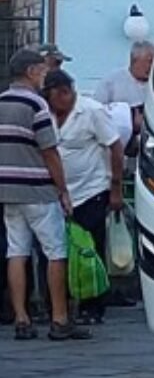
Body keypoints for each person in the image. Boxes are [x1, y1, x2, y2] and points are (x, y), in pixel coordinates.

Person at [0, 48, 89, 341]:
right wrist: (63, 190)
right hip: (38, 189)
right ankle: (60, 318)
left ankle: (22, 319)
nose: (44, 77)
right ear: (29, 72)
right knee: (55, 252)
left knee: (16, 250)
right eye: (41, 71)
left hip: (8, 188)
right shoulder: (36, 105)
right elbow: (49, 152)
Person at [43, 70, 124, 324]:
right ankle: (60, 302)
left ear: (66, 92)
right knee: (58, 248)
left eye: (56, 97)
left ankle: (93, 305)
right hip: (56, 192)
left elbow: (115, 146)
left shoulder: (92, 111)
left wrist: (116, 187)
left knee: (90, 248)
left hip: (90, 189)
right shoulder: (45, 113)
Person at [95, 40, 154, 148]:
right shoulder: (112, 81)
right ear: (134, 60)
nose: (152, 66)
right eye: (149, 61)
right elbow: (97, 111)